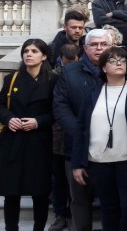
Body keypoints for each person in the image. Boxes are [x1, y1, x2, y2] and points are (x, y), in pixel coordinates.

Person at [70, 47, 127, 230]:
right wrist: (77, 163)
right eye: (113, 60)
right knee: (108, 208)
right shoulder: (93, 93)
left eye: (122, 60)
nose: (119, 63)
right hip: (98, 162)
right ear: (103, 68)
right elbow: (81, 128)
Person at [53, 29, 114, 231]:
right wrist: (81, 135)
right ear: (85, 48)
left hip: (112, 149)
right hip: (76, 149)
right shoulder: (69, 73)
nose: (99, 49)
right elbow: (61, 107)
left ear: (111, 47)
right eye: (94, 45)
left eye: (103, 44)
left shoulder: (123, 71)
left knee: (111, 201)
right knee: (79, 200)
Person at [0, 39, 58, 231]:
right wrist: (8, 118)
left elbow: (57, 111)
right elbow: (0, 105)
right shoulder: (12, 79)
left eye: (34, 51)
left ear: (44, 56)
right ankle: (11, 228)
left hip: (39, 142)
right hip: (13, 141)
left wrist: (38, 121)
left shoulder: (52, 80)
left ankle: (38, 228)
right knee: (11, 191)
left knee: (39, 191)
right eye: (26, 51)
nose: (28, 54)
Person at [49, 43, 80, 231]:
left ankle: (74, 215)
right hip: (57, 136)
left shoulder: (82, 74)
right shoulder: (52, 77)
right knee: (59, 179)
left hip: (76, 133)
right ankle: (61, 214)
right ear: (61, 59)